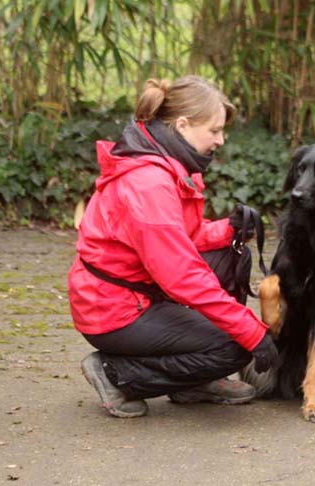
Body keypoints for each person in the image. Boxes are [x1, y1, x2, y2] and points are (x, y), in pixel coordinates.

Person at [68, 75, 279, 418]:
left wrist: (228, 231)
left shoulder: (169, 164)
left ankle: (192, 380)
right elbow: (181, 274)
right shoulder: (148, 182)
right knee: (235, 346)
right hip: (115, 311)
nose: (220, 140)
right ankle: (115, 374)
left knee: (228, 256)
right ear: (182, 125)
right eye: (214, 130)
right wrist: (251, 331)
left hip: (136, 294)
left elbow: (182, 238)